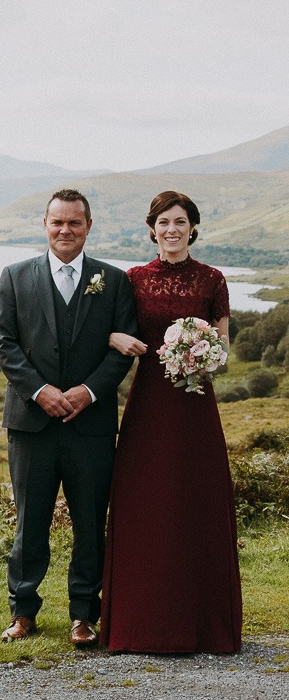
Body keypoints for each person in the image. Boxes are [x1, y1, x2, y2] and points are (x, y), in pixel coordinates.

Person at [0, 188, 137, 647]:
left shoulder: (113, 281)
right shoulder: (15, 276)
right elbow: (4, 342)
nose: (65, 230)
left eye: (74, 223)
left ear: (88, 226)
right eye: (57, 222)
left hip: (89, 425)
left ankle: (83, 615)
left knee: (90, 522)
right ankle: (23, 611)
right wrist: (40, 391)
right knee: (29, 521)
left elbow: (124, 349)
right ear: (45, 224)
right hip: (31, 423)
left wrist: (88, 392)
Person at [101, 191, 242, 653]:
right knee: (149, 496)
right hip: (150, 401)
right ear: (152, 228)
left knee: (196, 495)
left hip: (196, 401)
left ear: (193, 228)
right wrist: (115, 335)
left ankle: (203, 622)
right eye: (164, 222)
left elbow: (223, 348)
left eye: (180, 221)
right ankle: (142, 621)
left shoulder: (212, 279)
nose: (172, 230)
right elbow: (113, 329)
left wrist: (199, 352)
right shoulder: (133, 278)